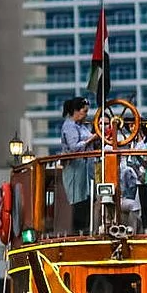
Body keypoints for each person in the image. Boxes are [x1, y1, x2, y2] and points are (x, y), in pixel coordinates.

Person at [58, 97, 94, 233]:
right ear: (76, 111)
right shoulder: (69, 127)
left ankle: (85, 230)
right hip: (74, 167)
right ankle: (76, 231)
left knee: (85, 199)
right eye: (84, 111)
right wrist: (92, 139)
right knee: (77, 199)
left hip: (84, 167)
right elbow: (73, 147)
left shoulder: (82, 126)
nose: (86, 114)